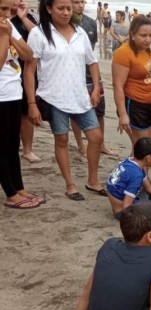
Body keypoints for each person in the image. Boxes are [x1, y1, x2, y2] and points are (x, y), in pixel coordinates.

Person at [25, 0, 106, 201]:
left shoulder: (80, 33)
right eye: (61, 8)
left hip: (80, 96)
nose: (66, 12)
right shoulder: (39, 33)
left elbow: (92, 62)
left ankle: (92, 181)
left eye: (68, 8)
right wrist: (32, 104)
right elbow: (29, 70)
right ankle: (70, 185)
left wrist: (95, 88)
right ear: (49, 8)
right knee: (61, 140)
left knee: (96, 137)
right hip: (53, 96)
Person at [0, 0, 42, 209]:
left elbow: (29, 55)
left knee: (12, 143)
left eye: (9, 10)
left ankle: (19, 187)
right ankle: (10, 193)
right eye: (2, 9)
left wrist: (10, 34)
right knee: (2, 145)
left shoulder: (7, 24)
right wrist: (5, 36)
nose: (7, 14)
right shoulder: (4, 30)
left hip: (12, 93)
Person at [72, 0, 116, 158]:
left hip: (91, 74)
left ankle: (101, 144)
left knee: (99, 110)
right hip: (73, 75)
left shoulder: (90, 23)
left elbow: (91, 51)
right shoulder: (63, 24)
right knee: (76, 111)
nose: (80, 5)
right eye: (75, 2)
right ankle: (80, 144)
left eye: (82, 2)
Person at [112, 15, 151, 147]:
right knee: (142, 149)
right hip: (135, 105)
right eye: (143, 35)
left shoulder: (149, 50)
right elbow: (118, 85)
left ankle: (135, 169)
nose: (148, 39)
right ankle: (127, 168)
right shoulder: (123, 53)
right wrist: (123, 114)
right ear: (132, 34)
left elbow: (150, 74)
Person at [10, 0, 40, 163]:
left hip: (27, 70)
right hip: (7, 71)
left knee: (26, 111)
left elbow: (40, 36)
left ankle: (27, 149)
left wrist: (22, 17)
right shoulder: (3, 17)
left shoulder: (28, 17)